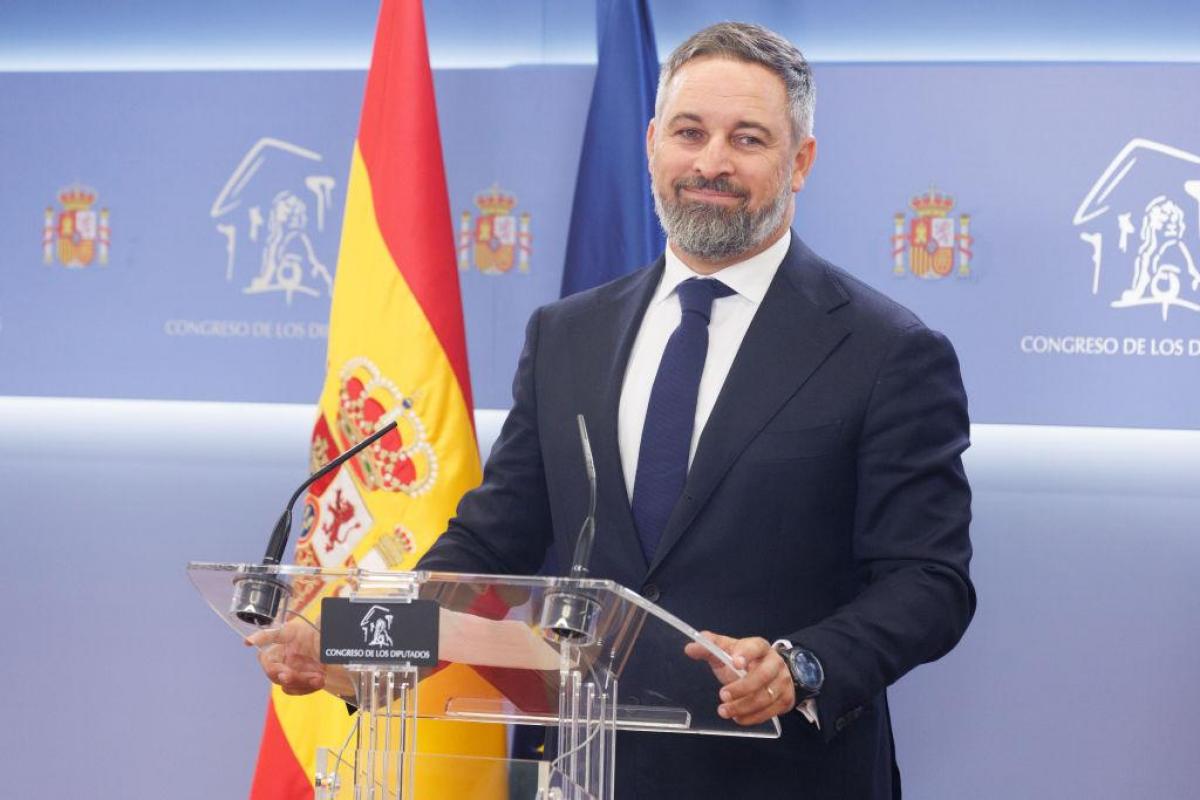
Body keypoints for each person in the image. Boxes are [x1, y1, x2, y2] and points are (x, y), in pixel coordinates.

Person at [260, 21, 974, 799]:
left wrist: (803, 664)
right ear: (651, 143)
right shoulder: (570, 334)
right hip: (594, 770)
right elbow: (490, 542)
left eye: (747, 139)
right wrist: (368, 643)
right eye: (689, 132)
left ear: (800, 160)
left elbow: (929, 581)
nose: (711, 162)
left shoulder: (887, 351)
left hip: (787, 774)